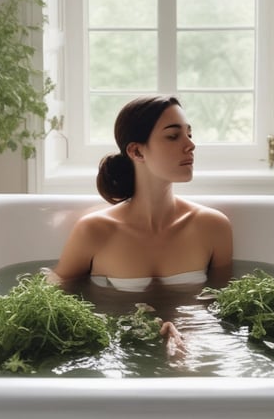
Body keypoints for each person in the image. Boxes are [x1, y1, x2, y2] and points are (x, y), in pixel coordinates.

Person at [50, 95, 233, 289]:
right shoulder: (94, 231)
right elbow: (54, 293)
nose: (190, 145)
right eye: (173, 136)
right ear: (136, 151)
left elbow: (223, 306)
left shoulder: (213, 227)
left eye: (189, 134)